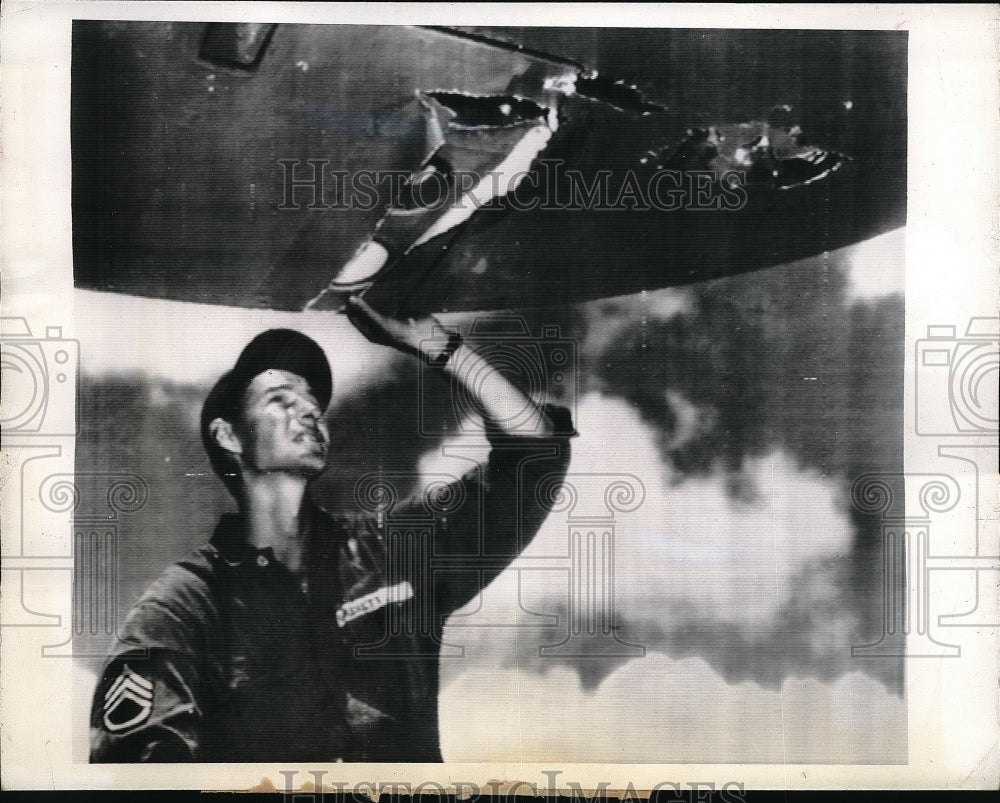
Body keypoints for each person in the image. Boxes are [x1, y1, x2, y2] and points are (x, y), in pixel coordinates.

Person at [89, 296, 575, 762]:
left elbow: (534, 453)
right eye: (280, 399)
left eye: (313, 403)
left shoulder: (392, 549)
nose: (309, 410)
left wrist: (439, 347)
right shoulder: (185, 605)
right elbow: (142, 767)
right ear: (228, 434)